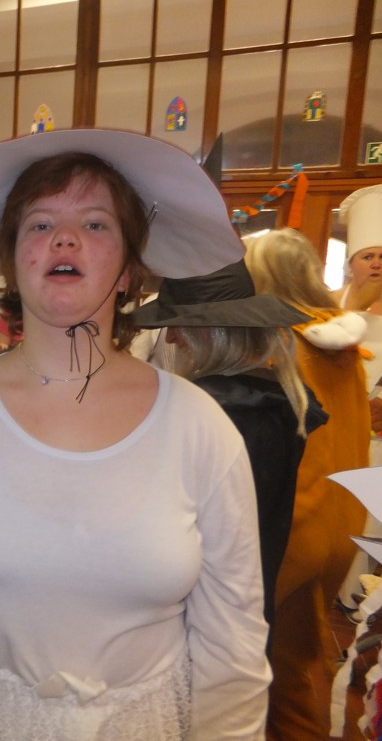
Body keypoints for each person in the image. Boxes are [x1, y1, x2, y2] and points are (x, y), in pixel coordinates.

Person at [0, 128, 270, 741]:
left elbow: (232, 641)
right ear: (12, 262)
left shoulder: (200, 428)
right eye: (40, 223)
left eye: (96, 223)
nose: (65, 237)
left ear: (130, 270)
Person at [130, 259, 325, 635]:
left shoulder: (213, 411)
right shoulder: (277, 401)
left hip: (196, 619)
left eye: (177, 325)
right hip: (245, 610)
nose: (170, 339)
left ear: (208, 330)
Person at [243, 228, 371, 740]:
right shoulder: (339, 339)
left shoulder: (277, 344)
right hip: (340, 520)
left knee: (278, 681)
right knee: (298, 663)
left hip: (292, 527)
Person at [331, 184, 382, 612]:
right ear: (352, 262)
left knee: (377, 519)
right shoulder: (327, 308)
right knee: (338, 516)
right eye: (367, 256)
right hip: (338, 435)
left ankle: (367, 601)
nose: (376, 263)